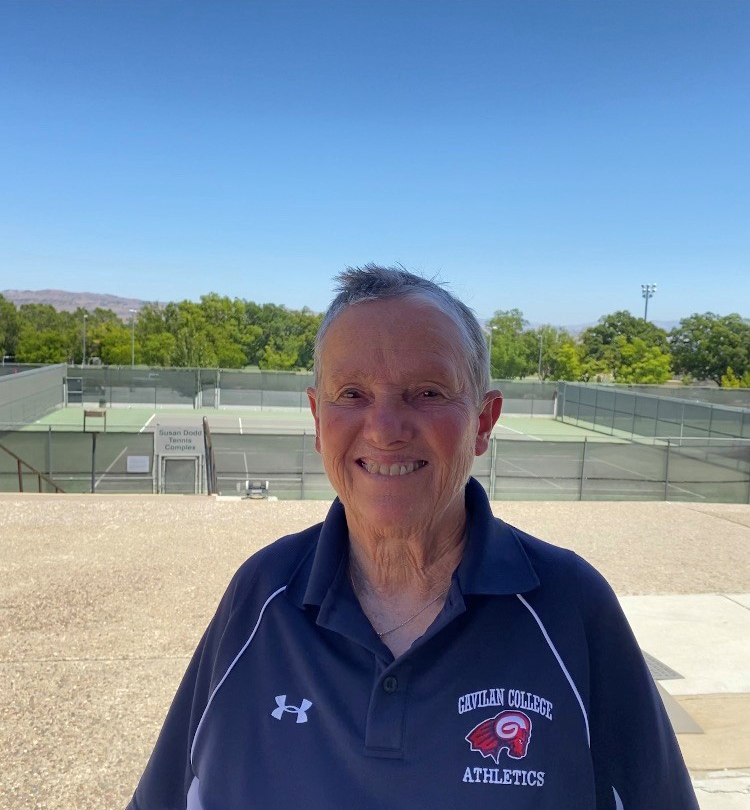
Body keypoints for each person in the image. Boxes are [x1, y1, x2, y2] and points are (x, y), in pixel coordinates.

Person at [127, 265, 698, 809]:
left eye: (426, 392)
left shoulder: (570, 605)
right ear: (318, 418)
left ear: (483, 421)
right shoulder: (262, 594)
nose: (385, 429)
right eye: (352, 394)